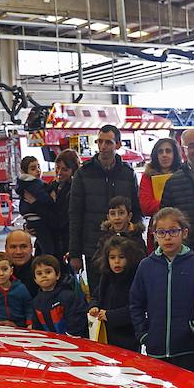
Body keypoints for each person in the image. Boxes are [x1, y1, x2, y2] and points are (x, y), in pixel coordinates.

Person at [69, 124, 141, 292]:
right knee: (97, 293)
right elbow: (75, 215)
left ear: (118, 145)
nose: (103, 147)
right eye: (99, 141)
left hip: (125, 246)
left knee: (125, 293)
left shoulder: (128, 173)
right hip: (93, 247)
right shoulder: (82, 174)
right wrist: (74, 253)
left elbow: (136, 209)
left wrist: (135, 231)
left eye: (108, 142)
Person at [130, 207, 194, 370]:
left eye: (173, 231)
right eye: (161, 232)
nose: (167, 237)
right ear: (154, 235)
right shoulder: (146, 266)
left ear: (184, 233)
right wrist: (143, 335)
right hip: (156, 348)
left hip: (188, 348)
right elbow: (135, 303)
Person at [88, 235, 144, 351]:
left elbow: (135, 309)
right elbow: (96, 296)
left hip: (128, 337)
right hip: (106, 335)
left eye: (121, 257)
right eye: (112, 258)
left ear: (129, 258)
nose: (117, 262)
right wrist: (94, 306)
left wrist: (110, 315)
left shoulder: (134, 278)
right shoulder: (106, 277)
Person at [31, 254, 88, 337]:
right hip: (49, 344)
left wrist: (69, 337)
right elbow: (37, 328)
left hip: (73, 342)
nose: (44, 275)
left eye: (48, 272)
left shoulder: (68, 296)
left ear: (57, 275)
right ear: (35, 279)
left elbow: (77, 321)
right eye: (39, 273)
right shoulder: (36, 302)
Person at [16, 155, 55, 257]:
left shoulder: (23, 184)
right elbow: (44, 199)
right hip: (37, 219)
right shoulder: (33, 183)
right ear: (25, 172)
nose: (38, 170)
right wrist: (50, 196)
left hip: (31, 219)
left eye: (38, 167)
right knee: (47, 247)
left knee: (43, 245)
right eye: (33, 169)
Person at [94, 196, 146, 268]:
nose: (117, 217)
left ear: (129, 216)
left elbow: (143, 263)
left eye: (121, 213)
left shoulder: (136, 238)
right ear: (108, 217)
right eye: (112, 214)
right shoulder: (105, 239)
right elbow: (96, 263)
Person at [48, 149, 80, 262]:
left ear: (74, 171)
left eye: (65, 169)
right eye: (57, 167)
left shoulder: (74, 191)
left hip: (65, 244)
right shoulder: (52, 186)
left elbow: (61, 220)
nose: (59, 172)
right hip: (50, 242)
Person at [138, 137, 182, 218]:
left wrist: (159, 205)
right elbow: (146, 206)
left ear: (175, 154)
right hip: (157, 225)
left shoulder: (183, 174)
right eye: (160, 152)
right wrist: (173, 205)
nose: (164, 155)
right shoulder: (148, 176)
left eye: (168, 151)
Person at [5, 228, 40, 298]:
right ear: (6, 249)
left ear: (31, 248)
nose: (18, 252)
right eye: (13, 247)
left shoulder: (43, 270)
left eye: (23, 246)